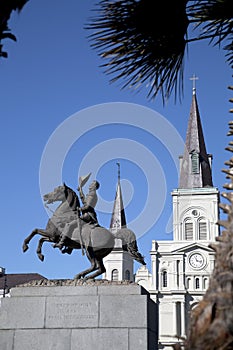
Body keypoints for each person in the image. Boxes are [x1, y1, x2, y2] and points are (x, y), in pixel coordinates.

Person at [54, 180, 100, 250]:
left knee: (69, 225)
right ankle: (69, 248)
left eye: (91, 185)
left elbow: (87, 207)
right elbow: (84, 201)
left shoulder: (92, 194)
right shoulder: (90, 194)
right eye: (90, 184)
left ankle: (61, 243)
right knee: (75, 227)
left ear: (94, 187)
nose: (90, 186)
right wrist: (80, 191)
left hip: (88, 215)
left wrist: (79, 209)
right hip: (86, 214)